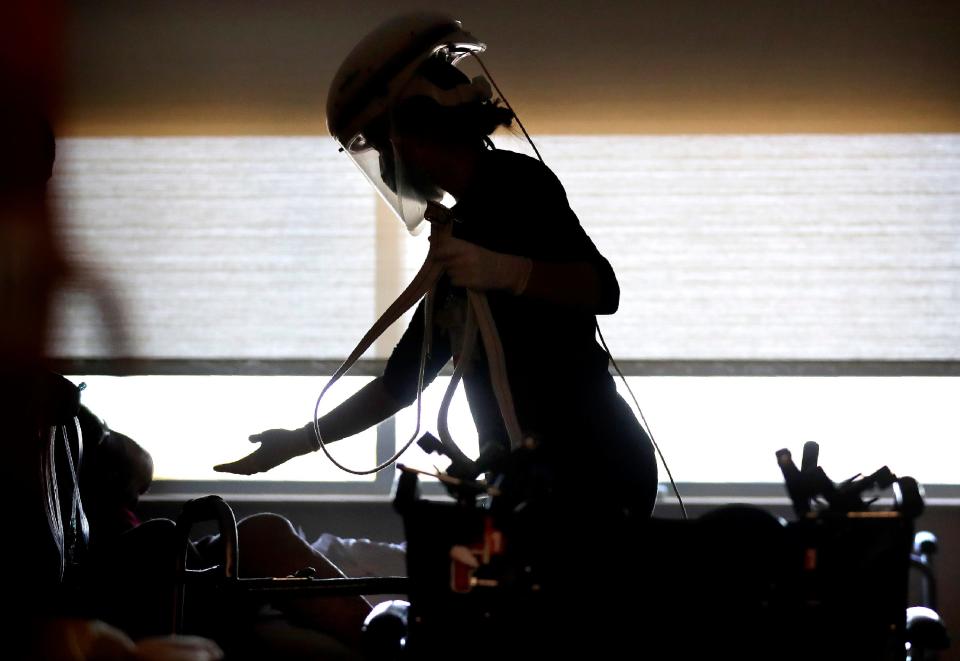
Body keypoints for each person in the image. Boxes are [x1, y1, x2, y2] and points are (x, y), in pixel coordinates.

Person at [215, 12, 658, 523]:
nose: (383, 162)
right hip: (525, 481)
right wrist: (299, 442)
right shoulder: (456, 238)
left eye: (380, 145)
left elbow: (602, 289)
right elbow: (400, 385)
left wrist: (509, 273)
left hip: (595, 466)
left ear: (415, 130)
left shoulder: (517, 184)